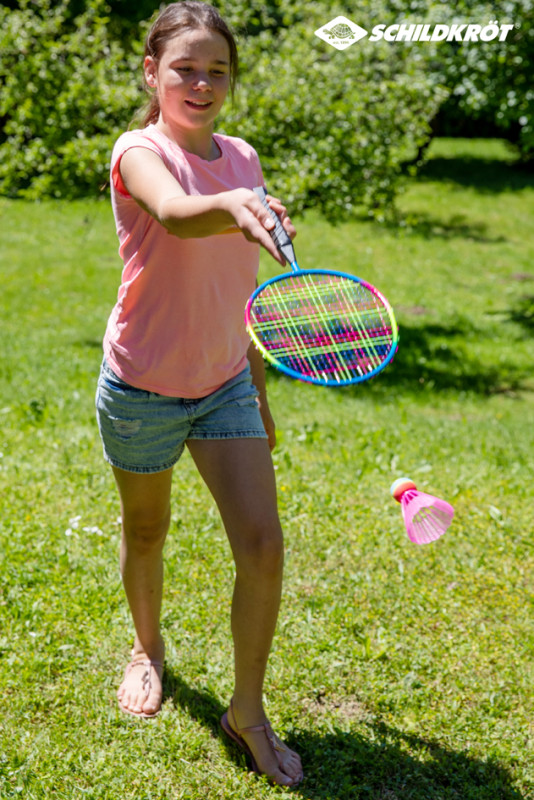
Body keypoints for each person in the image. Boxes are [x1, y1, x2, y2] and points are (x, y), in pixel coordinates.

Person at [95, 0, 303, 788]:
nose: (202, 81)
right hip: (142, 384)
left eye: (218, 69)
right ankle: (147, 649)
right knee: (146, 532)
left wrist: (257, 387)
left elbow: (238, 293)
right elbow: (180, 217)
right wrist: (231, 206)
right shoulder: (139, 150)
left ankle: (245, 711)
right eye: (185, 67)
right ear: (153, 72)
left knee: (263, 544)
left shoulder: (242, 156)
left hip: (224, 387)